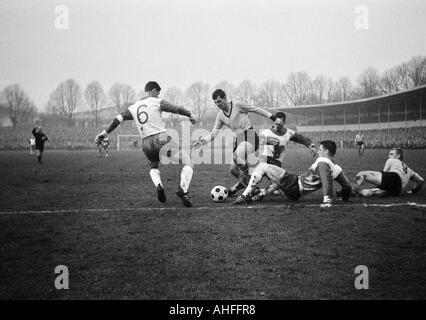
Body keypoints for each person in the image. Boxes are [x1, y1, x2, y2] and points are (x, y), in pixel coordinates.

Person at [95, 81, 197, 207]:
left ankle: (159, 185)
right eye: (158, 92)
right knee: (188, 161)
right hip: (161, 138)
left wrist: (104, 133)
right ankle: (183, 191)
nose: (158, 95)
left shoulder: (133, 107)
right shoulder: (155, 101)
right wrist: (190, 114)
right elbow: (176, 109)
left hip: (146, 143)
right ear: (153, 90)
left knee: (154, 166)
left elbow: (117, 120)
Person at [192, 89, 286, 196]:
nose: (218, 104)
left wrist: (273, 118)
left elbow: (256, 109)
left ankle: (248, 181)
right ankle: (252, 187)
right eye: (215, 103)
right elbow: (214, 133)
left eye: (219, 101)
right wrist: (202, 142)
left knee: (237, 158)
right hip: (239, 139)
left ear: (225, 98)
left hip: (249, 134)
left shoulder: (237, 105)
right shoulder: (220, 116)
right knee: (233, 170)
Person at [231, 111, 315, 204]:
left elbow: (301, 138)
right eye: (276, 122)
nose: (278, 124)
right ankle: (238, 188)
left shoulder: (288, 133)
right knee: (249, 176)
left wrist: (310, 145)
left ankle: (260, 192)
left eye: (281, 122)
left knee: (277, 186)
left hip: (276, 164)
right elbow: (255, 142)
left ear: (284, 122)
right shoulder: (265, 133)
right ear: (273, 122)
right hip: (264, 160)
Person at [234, 140, 352, 205]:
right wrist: (344, 197)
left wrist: (327, 199)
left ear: (326, 151)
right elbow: (347, 186)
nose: (318, 152)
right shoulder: (336, 168)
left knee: (262, 166)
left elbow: (326, 180)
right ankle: (261, 193)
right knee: (275, 178)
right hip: (296, 192)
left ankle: (245, 195)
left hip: (294, 184)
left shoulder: (322, 161)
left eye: (320, 149)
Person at [352, 148, 424, 197]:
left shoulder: (391, 160)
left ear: (398, 156)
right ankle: (360, 191)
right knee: (374, 192)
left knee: (361, 174)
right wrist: (413, 191)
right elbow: (421, 180)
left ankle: (350, 191)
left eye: (391, 154)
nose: (389, 156)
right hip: (397, 190)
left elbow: (384, 173)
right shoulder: (409, 170)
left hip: (393, 177)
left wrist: (379, 186)